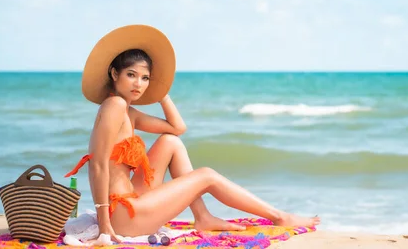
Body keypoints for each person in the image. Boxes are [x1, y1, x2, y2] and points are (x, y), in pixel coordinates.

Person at [64, 24, 320, 242]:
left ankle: (203, 216)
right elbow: (97, 165)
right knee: (206, 175)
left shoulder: (128, 112)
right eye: (131, 75)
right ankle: (279, 216)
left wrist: (162, 93)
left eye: (145, 78)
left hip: (131, 201)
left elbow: (177, 128)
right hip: (121, 215)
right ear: (114, 73)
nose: (138, 84)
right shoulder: (115, 105)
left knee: (170, 143)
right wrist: (105, 226)